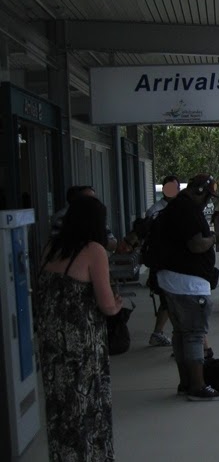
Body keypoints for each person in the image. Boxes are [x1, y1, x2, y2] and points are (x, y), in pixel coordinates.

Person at [35, 195, 122, 461]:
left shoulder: (51, 247)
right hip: (82, 345)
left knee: (60, 407)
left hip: (51, 342)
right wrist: (118, 304)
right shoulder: (94, 250)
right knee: (86, 407)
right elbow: (106, 304)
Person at [149, 173, 219, 401]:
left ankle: (186, 383)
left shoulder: (174, 208)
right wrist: (213, 239)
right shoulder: (187, 210)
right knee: (194, 334)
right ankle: (198, 386)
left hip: (173, 280)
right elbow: (195, 245)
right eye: (208, 196)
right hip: (188, 284)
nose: (208, 202)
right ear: (199, 191)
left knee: (181, 334)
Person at [145, 176, 179, 345]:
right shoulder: (155, 211)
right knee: (170, 300)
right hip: (162, 262)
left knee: (169, 301)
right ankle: (177, 336)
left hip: (174, 262)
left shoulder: (178, 209)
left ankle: (159, 333)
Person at [51, 185, 117, 252]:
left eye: (94, 199)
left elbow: (113, 244)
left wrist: (99, 238)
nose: (93, 203)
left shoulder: (98, 221)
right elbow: (54, 245)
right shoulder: (62, 221)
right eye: (88, 199)